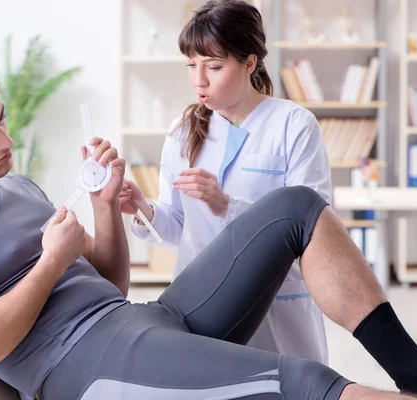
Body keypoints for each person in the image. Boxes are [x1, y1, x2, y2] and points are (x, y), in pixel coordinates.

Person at [0, 55, 417, 400]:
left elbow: (110, 287)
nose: (6, 142)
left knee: (296, 206)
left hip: (139, 320)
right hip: (80, 366)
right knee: (308, 382)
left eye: (1, 120)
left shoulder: (12, 184)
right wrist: (53, 261)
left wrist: (106, 204)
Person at [122, 0, 330, 363]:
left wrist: (225, 206)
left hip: (275, 308)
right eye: (191, 65)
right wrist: (144, 210)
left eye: (214, 66)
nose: (198, 80)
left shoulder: (293, 126)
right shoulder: (182, 132)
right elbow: (179, 227)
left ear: (249, 63)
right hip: (199, 306)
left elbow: (314, 234)